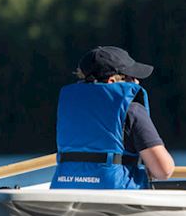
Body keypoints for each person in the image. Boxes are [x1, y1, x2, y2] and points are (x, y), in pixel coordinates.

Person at [50, 46, 175, 189]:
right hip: (116, 193)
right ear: (112, 82)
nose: (137, 82)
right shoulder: (132, 109)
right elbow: (164, 171)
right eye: (131, 77)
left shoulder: (71, 106)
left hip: (65, 188)